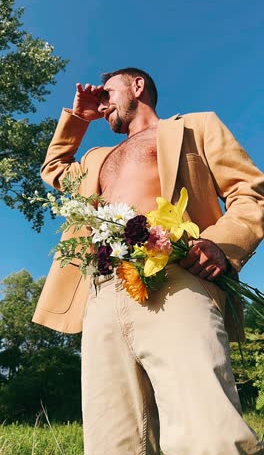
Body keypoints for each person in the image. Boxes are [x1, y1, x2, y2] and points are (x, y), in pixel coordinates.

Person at [33, 67, 264, 454]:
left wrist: (221, 243)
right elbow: (54, 169)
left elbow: (249, 193)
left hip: (177, 276)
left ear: (137, 86)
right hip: (102, 292)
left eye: (108, 92)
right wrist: (77, 118)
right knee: (112, 441)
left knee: (206, 429)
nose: (103, 102)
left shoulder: (194, 126)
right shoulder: (95, 157)